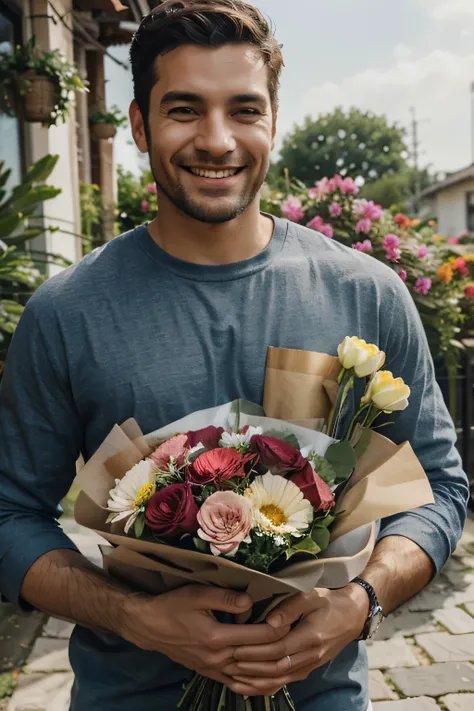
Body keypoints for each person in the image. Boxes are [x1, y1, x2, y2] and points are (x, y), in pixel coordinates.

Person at [0, 1, 468, 709]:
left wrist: (359, 602)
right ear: (137, 126)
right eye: (184, 109)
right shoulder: (67, 313)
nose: (217, 140)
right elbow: (10, 514)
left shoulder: (366, 294)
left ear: (273, 122)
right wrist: (136, 618)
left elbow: (438, 487)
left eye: (244, 110)